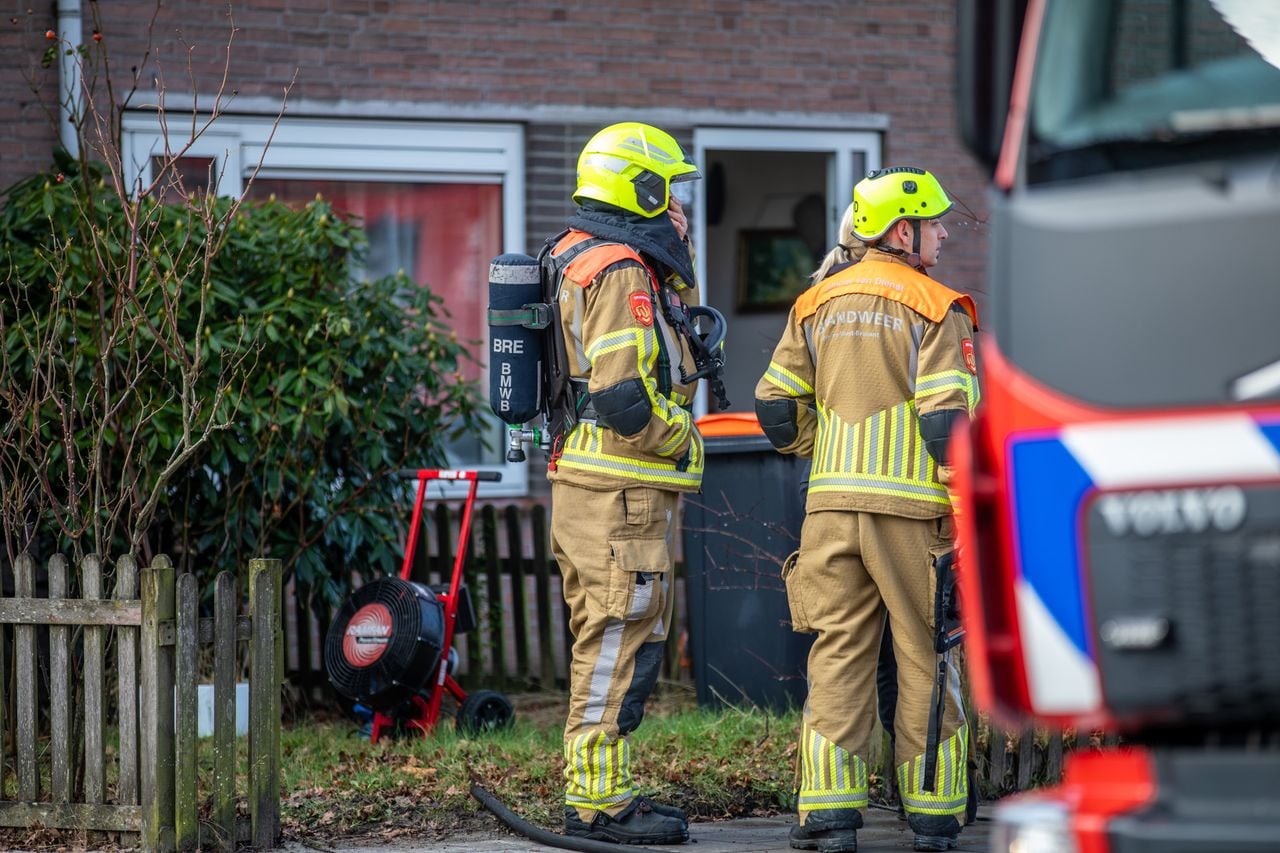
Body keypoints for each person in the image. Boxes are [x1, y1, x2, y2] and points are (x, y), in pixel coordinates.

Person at [755, 167, 980, 852]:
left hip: (828, 512)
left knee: (838, 654)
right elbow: (949, 427)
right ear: (901, 231)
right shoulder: (939, 306)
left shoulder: (814, 301)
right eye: (935, 222)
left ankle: (828, 816)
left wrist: (824, 450)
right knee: (927, 655)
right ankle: (935, 816)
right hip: (914, 517)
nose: (943, 233)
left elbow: (772, 406)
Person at [546, 122, 723, 846]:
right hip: (621, 493)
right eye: (671, 192)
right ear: (641, 190)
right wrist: (686, 436)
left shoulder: (574, 254)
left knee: (617, 638)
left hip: (593, 488)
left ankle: (606, 789)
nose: (679, 206)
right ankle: (596, 803)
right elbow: (624, 398)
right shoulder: (619, 270)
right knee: (617, 641)